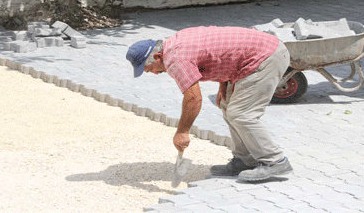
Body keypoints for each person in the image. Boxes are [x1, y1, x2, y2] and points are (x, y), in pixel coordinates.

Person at [125, 26, 292, 182]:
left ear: (157, 56)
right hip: (256, 55)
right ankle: (245, 160)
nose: (154, 73)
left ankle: (275, 161)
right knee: (228, 107)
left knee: (241, 114)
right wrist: (223, 83)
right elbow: (219, 55)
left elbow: (193, 99)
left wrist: (182, 132)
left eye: (150, 68)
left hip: (265, 57)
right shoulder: (174, 43)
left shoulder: (175, 59)